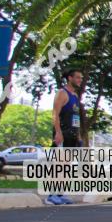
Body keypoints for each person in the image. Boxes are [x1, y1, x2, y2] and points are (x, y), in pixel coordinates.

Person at [48, 68, 84, 205]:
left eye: (81, 78)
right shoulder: (62, 93)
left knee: (66, 167)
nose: (80, 80)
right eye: (78, 77)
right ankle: (51, 195)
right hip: (62, 135)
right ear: (70, 78)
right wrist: (58, 132)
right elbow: (55, 114)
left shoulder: (75, 95)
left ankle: (59, 194)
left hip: (72, 135)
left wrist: (79, 136)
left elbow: (76, 117)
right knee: (59, 166)